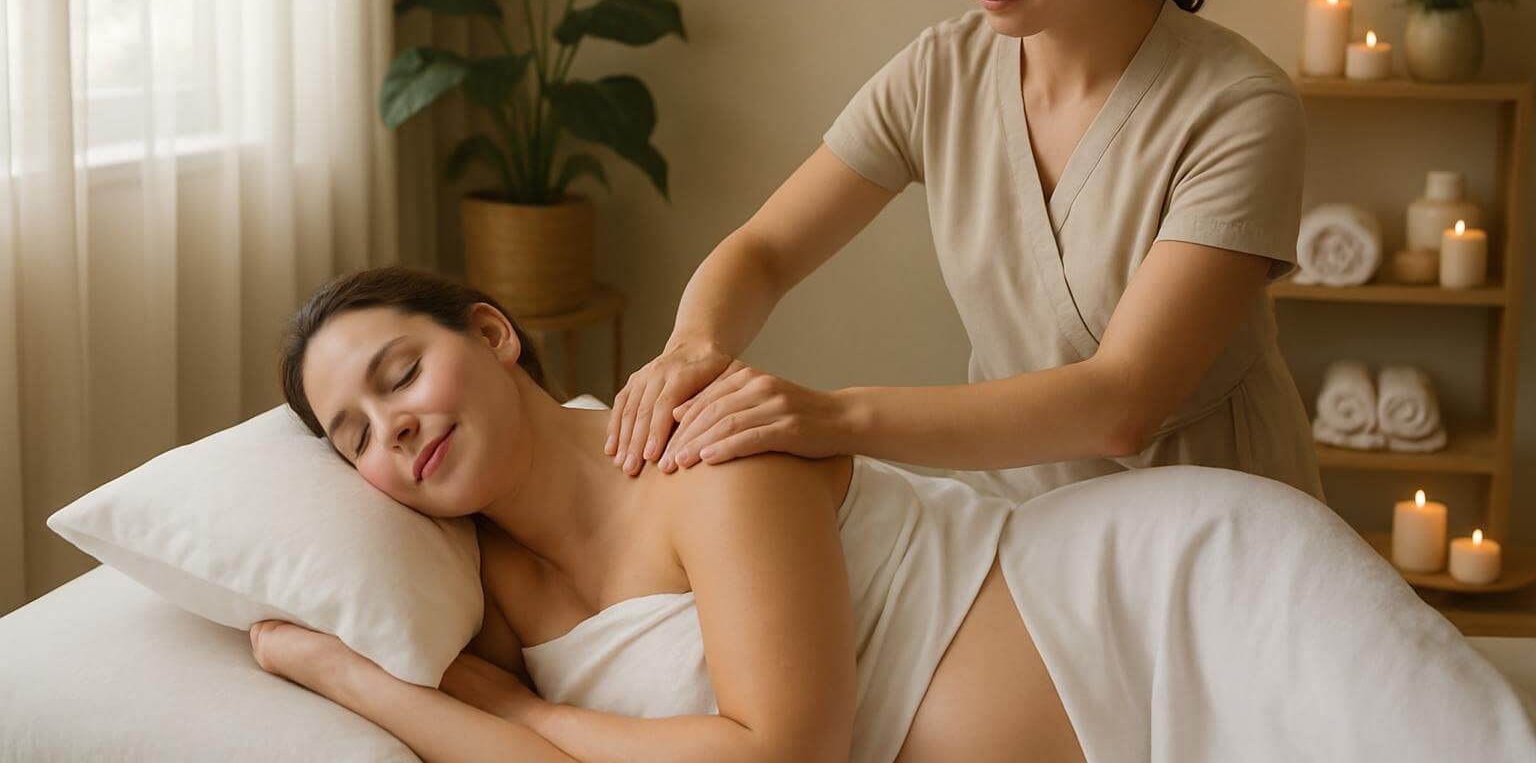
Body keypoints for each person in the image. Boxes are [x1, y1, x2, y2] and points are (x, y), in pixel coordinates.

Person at [252, 265, 1534, 763]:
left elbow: (780, 753)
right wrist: (339, 670)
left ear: (492, 328)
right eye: (354, 435)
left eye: (400, 374)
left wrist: (528, 711)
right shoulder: (485, 589)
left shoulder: (705, 443)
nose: (394, 429)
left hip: (1189, 595)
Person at [605, 0, 1322, 506]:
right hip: (1028, 526)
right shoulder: (939, 74)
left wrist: (831, 416)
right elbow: (767, 249)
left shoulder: (1238, 108)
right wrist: (693, 347)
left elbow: (1120, 404)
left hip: (1221, 529)